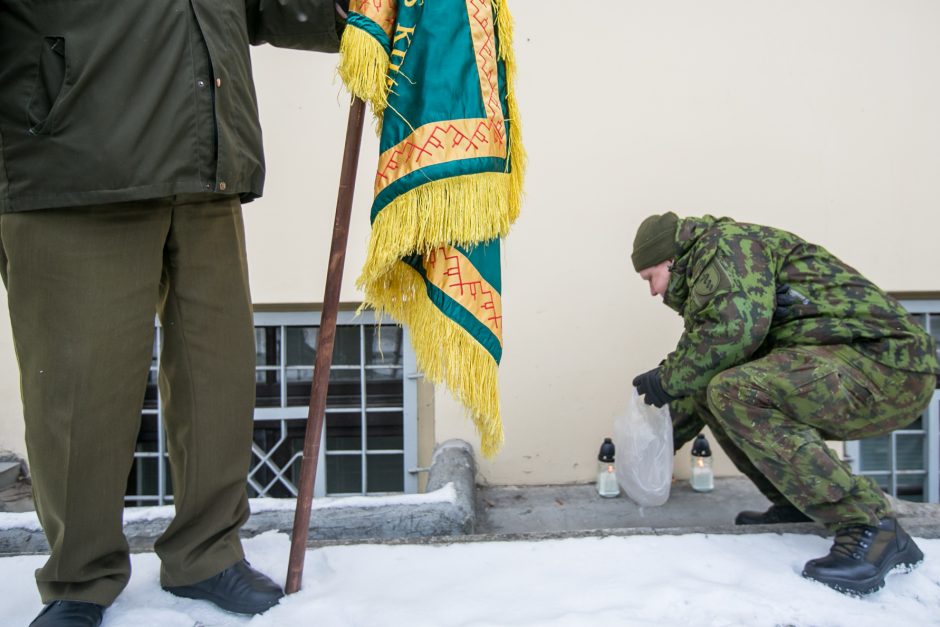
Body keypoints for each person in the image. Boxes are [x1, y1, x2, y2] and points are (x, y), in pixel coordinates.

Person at [0, 2, 349, 625]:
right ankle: (79, 578)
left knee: (219, 376)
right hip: (76, 163)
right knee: (80, 392)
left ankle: (207, 555)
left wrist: (356, 10)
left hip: (207, 159)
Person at [630, 212, 939, 596]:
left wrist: (666, 379)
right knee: (716, 386)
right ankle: (795, 500)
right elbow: (707, 367)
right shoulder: (710, 273)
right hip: (849, 360)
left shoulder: (725, 246)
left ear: (670, 260)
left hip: (885, 364)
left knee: (734, 390)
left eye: (650, 278)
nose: (653, 292)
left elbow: (733, 333)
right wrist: (654, 447)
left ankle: (871, 526)